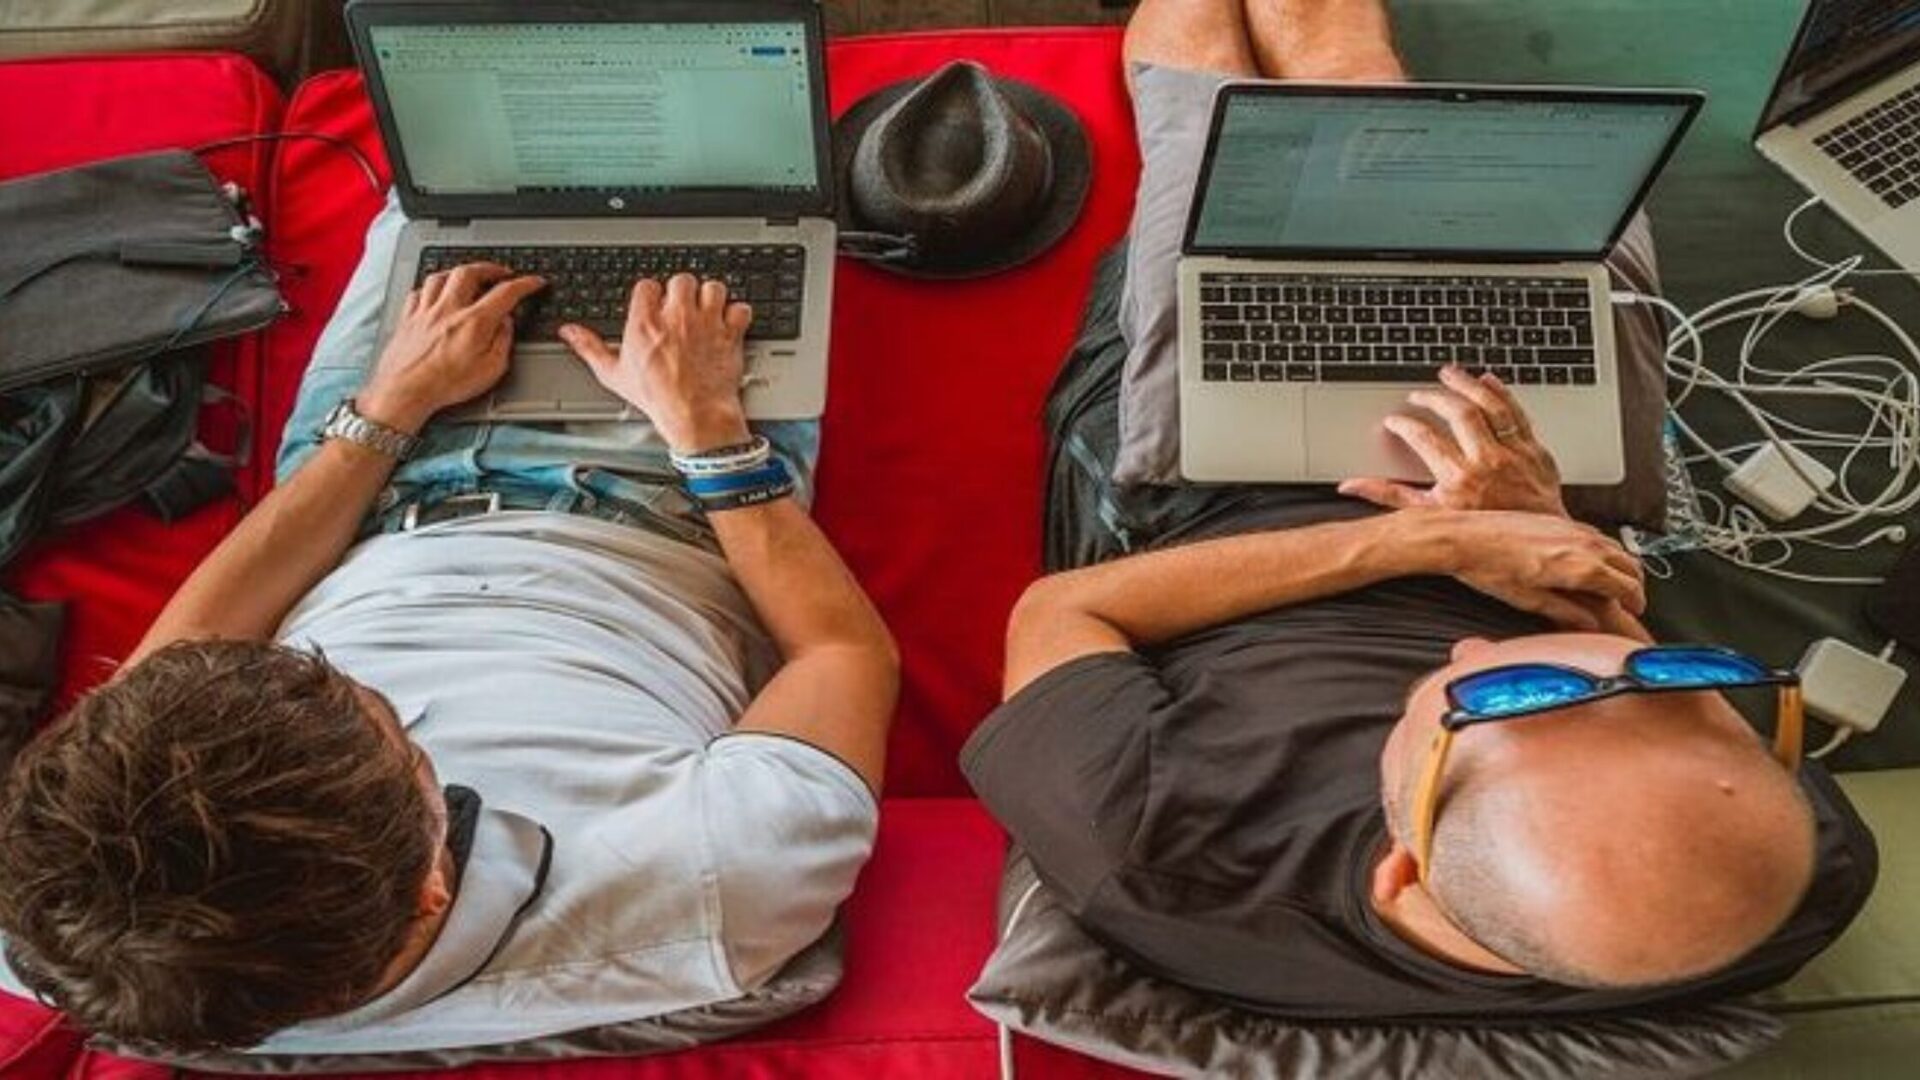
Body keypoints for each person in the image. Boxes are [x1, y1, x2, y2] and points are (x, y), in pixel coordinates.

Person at [963, 0, 1878, 1019]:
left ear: (1400, 866)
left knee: (1209, 107)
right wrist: (1555, 537)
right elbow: (1609, 630)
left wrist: (1429, 539)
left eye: (1494, 697)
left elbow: (1061, 614)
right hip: (1532, 501)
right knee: (1367, 85)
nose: (1473, 648)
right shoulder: (1785, 874)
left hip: (1207, 514)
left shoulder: (1157, 850)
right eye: (1669, 675)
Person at [0, 197, 899, 1055]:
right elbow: (841, 650)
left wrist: (385, 414)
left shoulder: (56, 921)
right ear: (432, 885)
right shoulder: (717, 888)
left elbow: (187, 658)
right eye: (393, 725)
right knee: (724, 177)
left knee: (442, 181)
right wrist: (707, 434)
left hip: (358, 482)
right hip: (667, 492)